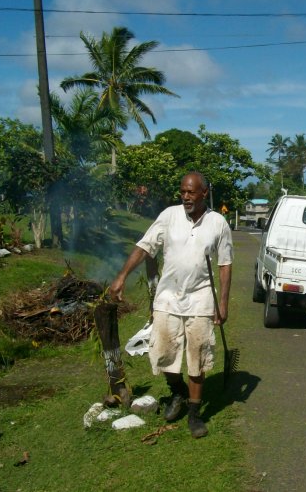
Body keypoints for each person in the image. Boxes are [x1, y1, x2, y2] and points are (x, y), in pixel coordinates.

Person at [109, 172, 233, 439]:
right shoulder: (168, 216)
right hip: (167, 297)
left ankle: (195, 414)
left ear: (204, 193)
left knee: (197, 357)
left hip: (201, 299)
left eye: (191, 192)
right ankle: (177, 391)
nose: (186, 197)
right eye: (182, 192)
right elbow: (144, 247)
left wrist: (222, 303)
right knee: (164, 351)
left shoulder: (218, 223)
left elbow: (224, 264)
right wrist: (121, 276)